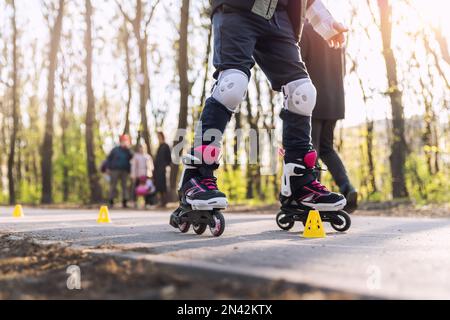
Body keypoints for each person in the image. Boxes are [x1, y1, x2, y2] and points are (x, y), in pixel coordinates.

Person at [177, 0, 349, 213]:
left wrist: (326, 22)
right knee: (232, 84)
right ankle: (196, 176)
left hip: (279, 15)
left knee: (302, 92)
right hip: (236, 9)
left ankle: (300, 184)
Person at [300, 22, 358, 213]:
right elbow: (343, 68)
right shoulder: (333, 30)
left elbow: (297, 66)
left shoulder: (305, 31)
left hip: (313, 99)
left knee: (312, 149)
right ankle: (347, 187)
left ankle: (313, 194)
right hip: (335, 99)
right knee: (326, 148)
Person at [106, 135, 133, 208]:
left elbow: (132, 157)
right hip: (114, 170)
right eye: (123, 141)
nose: (124, 142)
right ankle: (111, 201)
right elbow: (108, 159)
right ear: (120, 141)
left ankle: (125, 201)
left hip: (125, 170)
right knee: (113, 185)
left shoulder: (128, 150)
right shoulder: (115, 149)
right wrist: (107, 168)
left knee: (124, 186)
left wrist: (128, 149)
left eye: (125, 141)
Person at [153, 132, 172, 207]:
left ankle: (165, 201)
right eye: (157, 136)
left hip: (163, 169)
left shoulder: (166, 146)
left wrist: (165, 166)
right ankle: (160, 201)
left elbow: (169, 159)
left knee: (164, 185)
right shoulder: (159, 146)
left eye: (159, 136)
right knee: (158, 185)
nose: (158, 137)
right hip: (157, 169)